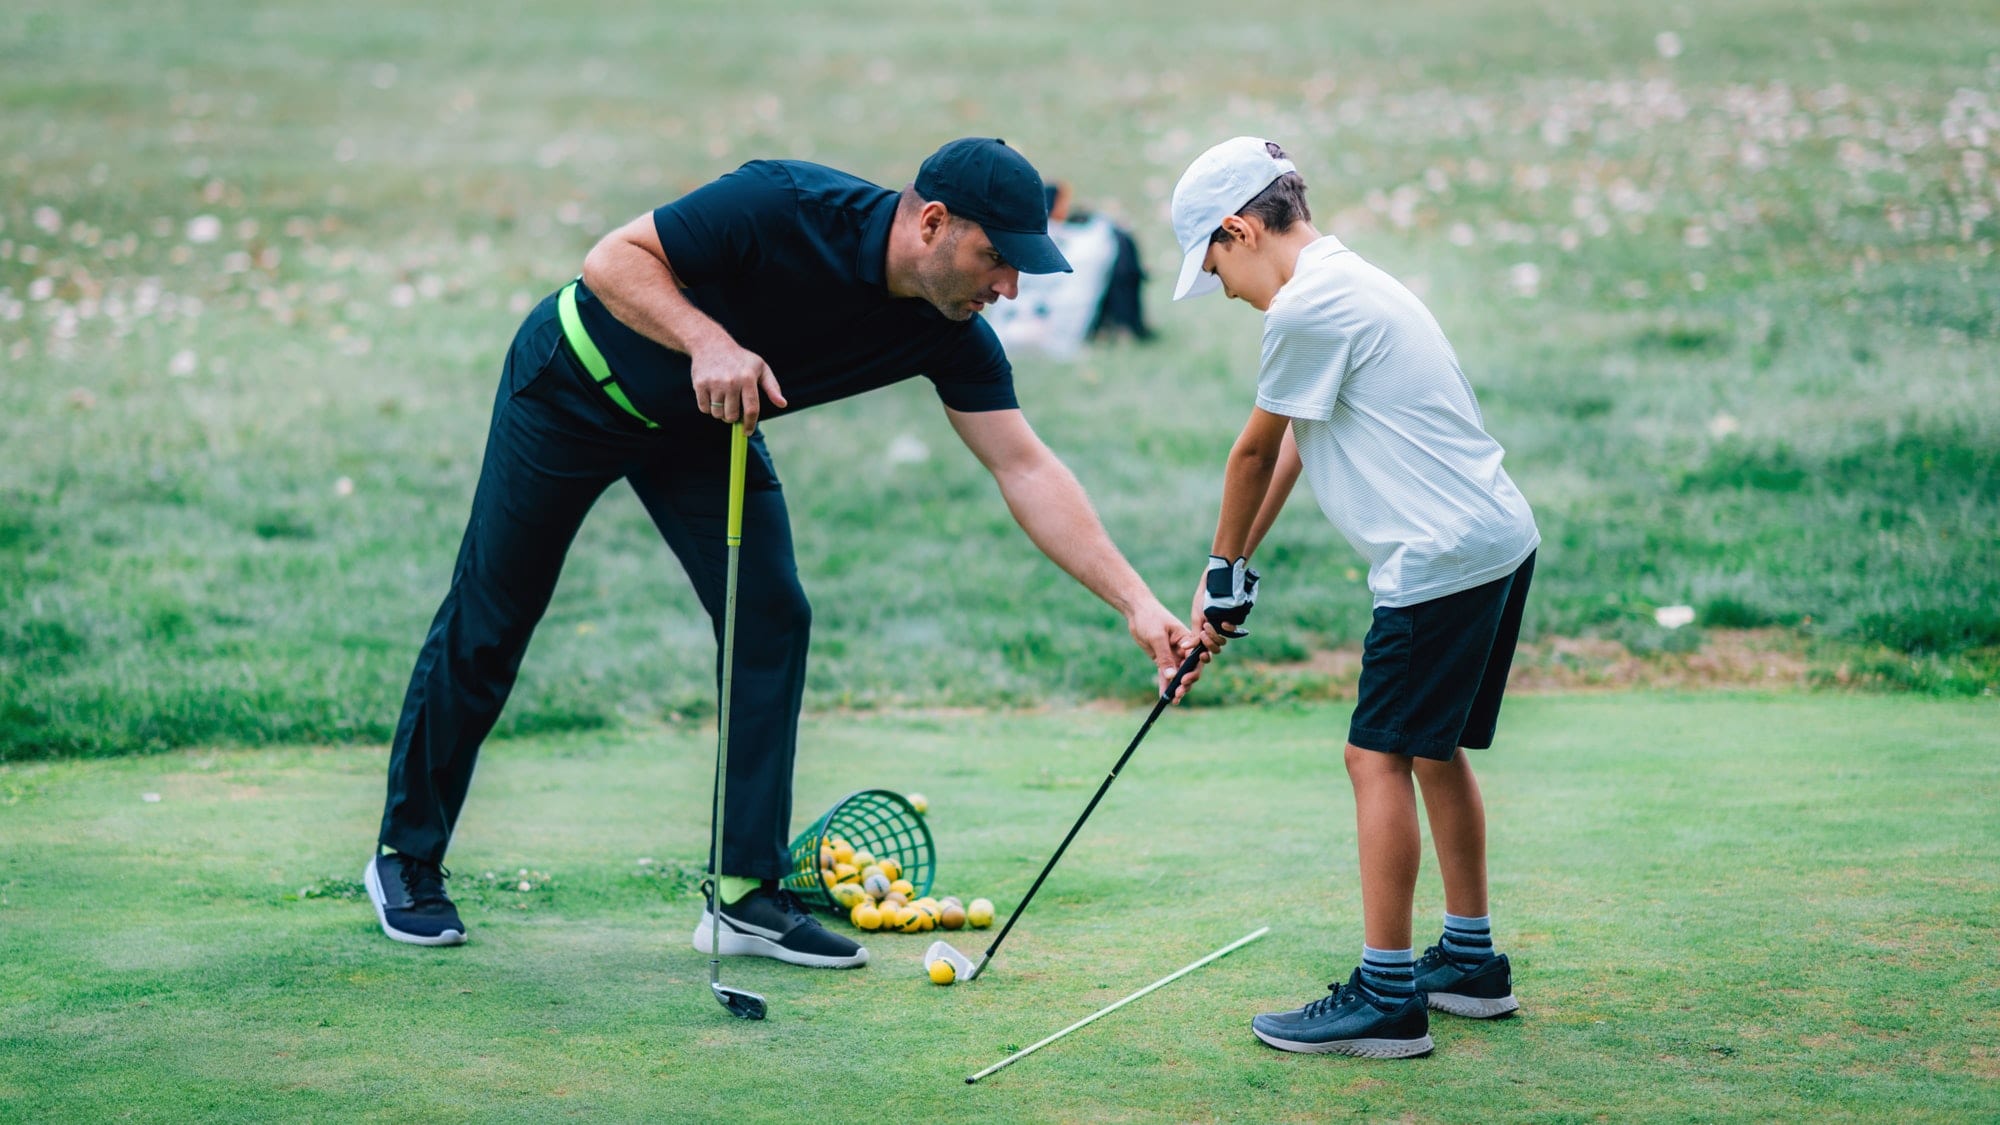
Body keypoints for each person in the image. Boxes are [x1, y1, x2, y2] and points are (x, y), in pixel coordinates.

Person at [365, 138, 1202, 969]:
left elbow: (1024, 466)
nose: (1009, 287)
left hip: (702, 429)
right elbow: (611, 260)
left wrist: (1136, 601)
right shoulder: (781, 203)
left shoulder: (948, 330)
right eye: (996, 258)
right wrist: (706, 341)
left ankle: (743, 895)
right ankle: (405, 857)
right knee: (494, 612)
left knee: (771, 615)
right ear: (933, 223)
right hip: (572, 386)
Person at [1172, 137, 1540, 1058]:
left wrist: (1216, 576)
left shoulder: (1308, 306)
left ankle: (1386, 996)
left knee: (1372, 756)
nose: (1220, 287)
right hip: (1495, 540)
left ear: (1239, 228)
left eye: (1213, 264)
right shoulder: (1352, 281)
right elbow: (1302, 434)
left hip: (1438, 560)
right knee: (1430, 748)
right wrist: (1237, 576)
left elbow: (1252, 453)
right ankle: (1469, 962)